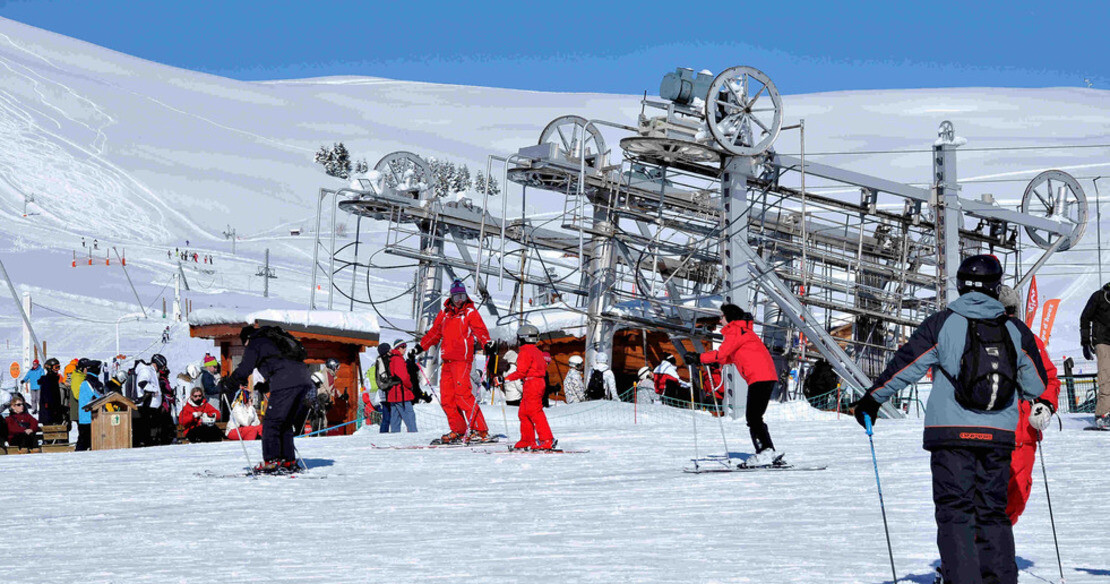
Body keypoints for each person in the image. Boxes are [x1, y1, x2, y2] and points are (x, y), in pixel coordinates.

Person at [851, 255, 1050, 584]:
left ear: (959, 285)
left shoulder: (942, 323)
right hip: (999, 433)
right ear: (996, 287)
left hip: (950, 433)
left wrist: (872, 401)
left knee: (956, 513)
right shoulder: (1015, 330)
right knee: (992, 512)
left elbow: (907, 365)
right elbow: (1036, 385)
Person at [998, 285, 1061, 525]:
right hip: (984, 430)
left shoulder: (1028, 339)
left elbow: (1049, 377)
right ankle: (973, 554)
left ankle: (995, 549)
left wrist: (1044, 404)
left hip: (1022, 431)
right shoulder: (970, 337)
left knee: (1017, 495)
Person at [690, 304, 780, 466]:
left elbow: (722, 353)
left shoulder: (735, 331)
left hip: (759, 377)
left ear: (730, 317)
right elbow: (733, 355)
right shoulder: (743, 331)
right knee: (754, 417)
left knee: (753, 417)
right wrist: (717, 363)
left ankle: (766, 451)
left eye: (722, 316)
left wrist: (699, 358)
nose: (720, 320)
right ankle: (767, 451)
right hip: (764, 376)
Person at [412, 279, 495, 444]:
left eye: (462, 296)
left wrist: (487, 343)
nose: (459, 300)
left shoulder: (469, 312)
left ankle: (481, 430)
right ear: (451, 296)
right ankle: (458, 430)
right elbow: (434, 333)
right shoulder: (445, 314)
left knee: (463, 395)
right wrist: (420, 348)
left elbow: (480, 329)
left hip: (462, 361)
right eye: (457, 296)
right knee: (447, 399)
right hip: (447, 362)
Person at [222, 325, 313, 474]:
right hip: (304, 380)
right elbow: (283, 364)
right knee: (285, 423)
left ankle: (272, 461)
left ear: (246, 339)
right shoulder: (274, 340)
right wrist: (266, 386)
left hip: (286, 382)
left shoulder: (255, 342)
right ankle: (288, 460)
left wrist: (228, 384)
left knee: (271, 422)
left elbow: (245, 368)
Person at [505, 324, 555, 450]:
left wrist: (505, 379)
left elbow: (521, 371)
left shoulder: (525, 352)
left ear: (523, 338)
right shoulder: (537, 351)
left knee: (535, 412)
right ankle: (527, 440)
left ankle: (547, 439)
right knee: (523, 413)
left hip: (532, 383)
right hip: (535, 382)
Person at [1079, 281, 1110, 429]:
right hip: (1102, 341)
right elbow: (1085, 318)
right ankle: (1102, 413)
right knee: (1106, 376)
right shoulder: (1098, 297)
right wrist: (1085, 342)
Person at [386, 341, 418, 432]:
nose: (405, 349)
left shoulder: (391, 358)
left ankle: (395, 438)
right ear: (397, 348)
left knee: (395, 419)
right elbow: (404, 377)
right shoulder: (398, 359)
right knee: (409, 416)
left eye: (405, 346)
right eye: (402, 347)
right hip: (401, 393)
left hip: (393, 393)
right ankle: (414, 435)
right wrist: (410, 385)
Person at [76, 359, 103, 451]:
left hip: (83, 417)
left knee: (82, 441)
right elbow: (99, 398)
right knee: (89, 443)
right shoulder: (94, 383)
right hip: (92, 417)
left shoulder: (85, 382)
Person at [372, 343, 393, 432]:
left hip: (385, 393)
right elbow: (383, 375)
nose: (391, 351)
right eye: (389, 349)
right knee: (387, 417)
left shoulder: (382, 360)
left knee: (387, 417)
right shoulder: (382, 361)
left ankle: (384, 432)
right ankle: (383, 433)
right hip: (385, 393)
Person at [36, 358, 64, 426]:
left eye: (58, 367)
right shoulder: (47, 380)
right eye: (56, 367)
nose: (57, 370)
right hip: (49, 413)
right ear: (50, 368)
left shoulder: (54, 379)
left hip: (55, 412)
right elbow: (48, 398)